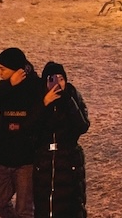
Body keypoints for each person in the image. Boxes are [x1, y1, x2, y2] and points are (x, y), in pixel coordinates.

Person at [0, 46, 45, 218]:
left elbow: (40, 117)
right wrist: (9, 84)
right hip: (3, 158)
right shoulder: (3, 86)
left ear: (16, 69)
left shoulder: (36, 87)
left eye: (2, 69)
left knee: (25, 211)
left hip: (27, 161)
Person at [33, 62, 89, 218]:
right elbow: (30, 127)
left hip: (69, 160)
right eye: (52, 79)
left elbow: (82, 126)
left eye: (61, 78)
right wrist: (44, 104)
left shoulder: (72, 96)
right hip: (45, 162)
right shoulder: (38, 98)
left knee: (71, 207)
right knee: (45, 207)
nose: (57, 83)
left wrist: (68, 101)